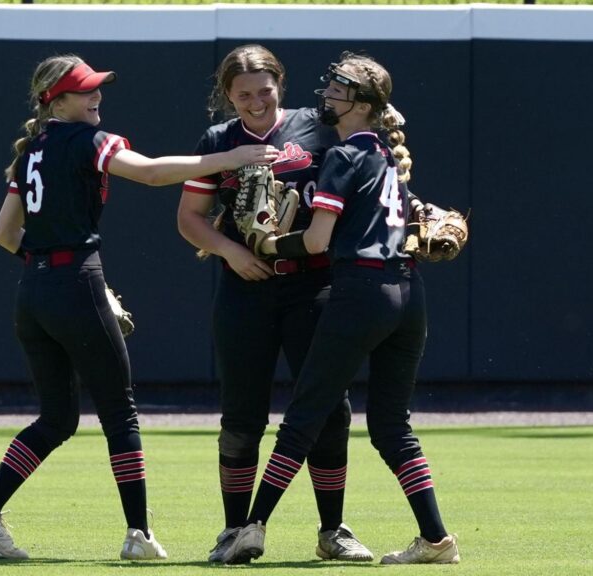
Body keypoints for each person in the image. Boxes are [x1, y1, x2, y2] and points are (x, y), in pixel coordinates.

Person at [0, 54, 277, 561]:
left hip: (34, 289)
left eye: (97, 87)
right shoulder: (85, 140)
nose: (96, 95)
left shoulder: (31, 149)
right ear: (55, 100)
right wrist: (230, 158)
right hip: (75, 281)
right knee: (120, 413)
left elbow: (3, 234)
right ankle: (138, 536)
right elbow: (149, 173)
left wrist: (48, 266)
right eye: (85, 90)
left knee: (58, 418)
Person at [223, 52, 460, 565]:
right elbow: (414, 219)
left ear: (362, 103)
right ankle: (436, 539)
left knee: (303, 417)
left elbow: (315, 243)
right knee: (392, 427)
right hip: (408, 294)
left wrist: (265, 246)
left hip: (360, 294)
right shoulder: (388, 159)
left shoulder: (343, 156)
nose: (327, 93)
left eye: (338, 88)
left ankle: (252, 527)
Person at [177, 44, 373, 563]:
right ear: (227, 95)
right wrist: (229, 250)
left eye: (265, 90)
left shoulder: (320, 126)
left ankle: (333, 530)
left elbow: (371, 168)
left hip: (315, 284)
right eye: (244, 94)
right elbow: (190, 216)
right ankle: (234, 529)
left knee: (330, 410)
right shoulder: (221, 140)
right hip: (245, 288)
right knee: (241, 416)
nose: (256, 101)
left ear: (280, 85)